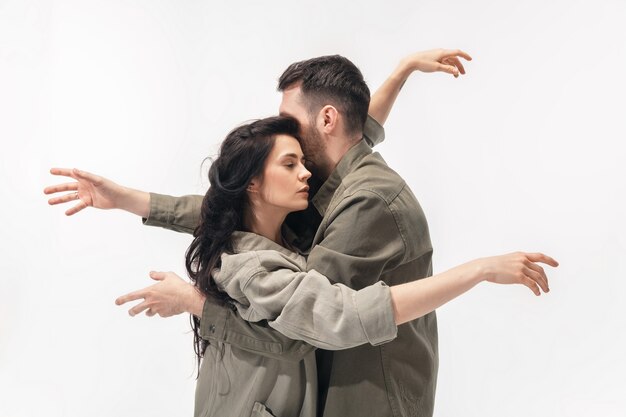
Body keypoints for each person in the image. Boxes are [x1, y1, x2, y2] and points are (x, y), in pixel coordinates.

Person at [45, 50, 558, 417]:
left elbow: (305, 327)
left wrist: (196, 303)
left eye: (291, 124)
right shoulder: (331, 177)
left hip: (368, 396)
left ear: (327, 119)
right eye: (285, 162)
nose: (285, 133)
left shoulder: (365, 199)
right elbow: (357, 132)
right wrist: (129, 200)